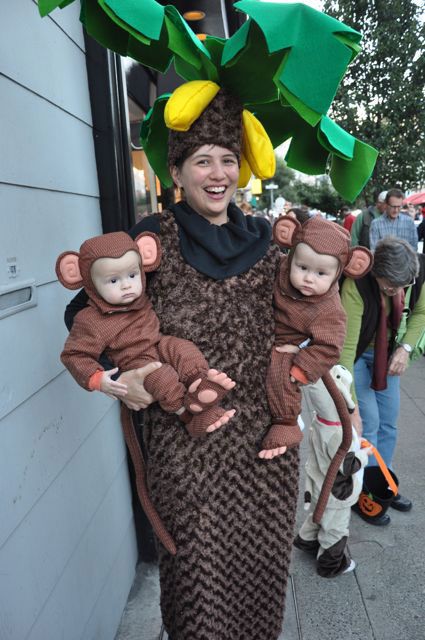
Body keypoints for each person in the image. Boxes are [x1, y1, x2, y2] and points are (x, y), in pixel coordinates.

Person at [65, 89, 300, 639]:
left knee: (261, 585)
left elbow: (308, 321)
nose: (217, 174)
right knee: (198, 597)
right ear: (175, 168)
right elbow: (83, 314)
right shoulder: (151, 242)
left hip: (264, 448)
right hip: (186, 452)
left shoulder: (265, 242)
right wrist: (124, 379)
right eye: (202, 160)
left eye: (227, 159)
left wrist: (305, 387)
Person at [56, 231, 236, 437]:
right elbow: (74, 355)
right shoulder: (90, 321)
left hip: (158, 343)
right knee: (161, 378)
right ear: (91, 285)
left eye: (132, 275)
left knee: (182, 348)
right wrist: (98, 379)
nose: (126, 285)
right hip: (134, 361)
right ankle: (188, 415)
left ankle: (197, 381)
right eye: (113, 281)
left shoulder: (138, 299)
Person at [260, 215, 372, 459]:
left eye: (321, 273)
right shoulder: (278, 269)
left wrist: (301, 366)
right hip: (263, 331)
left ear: (338, 274)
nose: (309, 278)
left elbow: (330, 347)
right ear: (291, 258)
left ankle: (287, 421)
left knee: (280, 374)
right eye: (302, 268)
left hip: (291, 346)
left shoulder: (329, 309)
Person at [339, 237, 425, 525]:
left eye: (404, 286)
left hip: (388, 353)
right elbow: (346, 351)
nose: (399, 293)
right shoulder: (357, 282)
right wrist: (350, 407)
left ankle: (382, 482)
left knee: (389, 420)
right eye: (391, 287)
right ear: (376, 274)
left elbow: (422, 313)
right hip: (360, 354)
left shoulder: (418, 273)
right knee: (369, 422)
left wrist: (406, 348)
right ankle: (361, 490)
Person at [294, 365, 372, 577]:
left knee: (317, 516)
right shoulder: (338, 432)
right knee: (335, 527)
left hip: (319, 483)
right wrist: (364, 456)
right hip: (337, 491)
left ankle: (307, 541)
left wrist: (357, 444)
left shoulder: (319, 422)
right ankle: (331, 564)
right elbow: (346, 465)